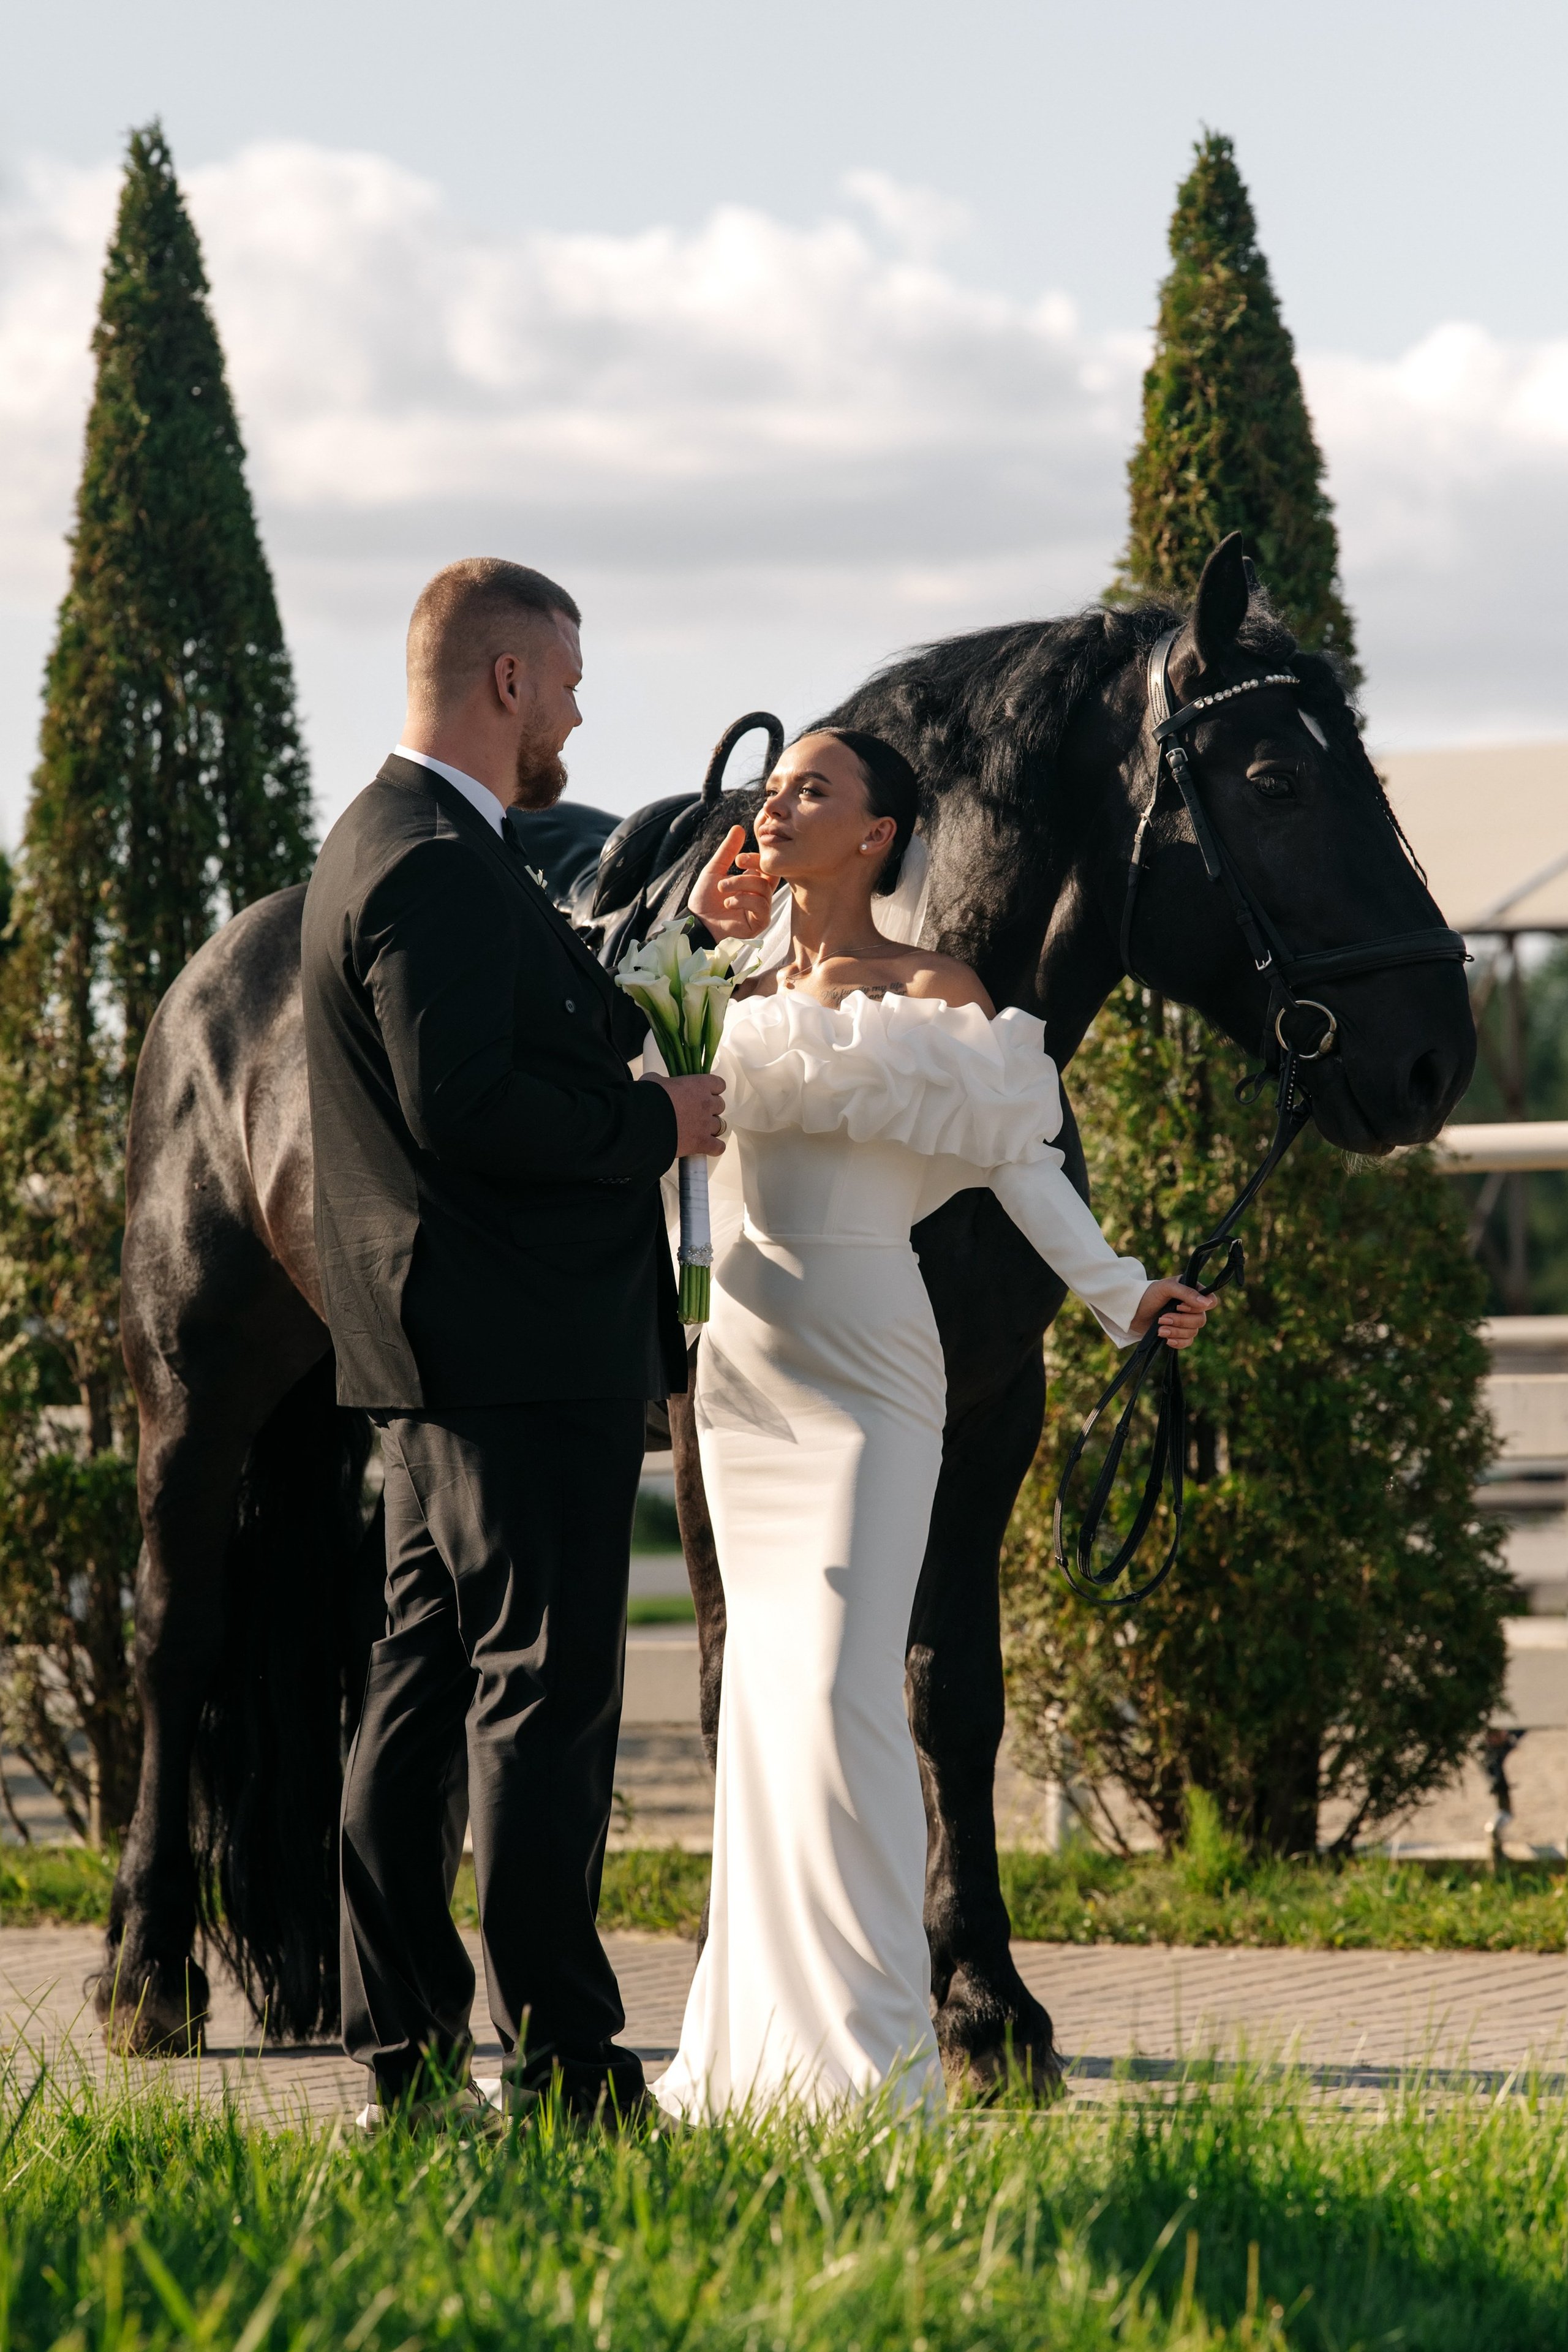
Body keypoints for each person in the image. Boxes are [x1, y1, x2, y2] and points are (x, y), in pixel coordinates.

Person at [656, 728, 1215, 2120]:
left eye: (813, 791)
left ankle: (876, 2055)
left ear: (879, 835)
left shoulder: (935, 991)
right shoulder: (712, 981)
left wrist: (1117, 1291)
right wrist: (679, 942)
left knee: (848, 1690)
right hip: (738, 1374)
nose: (776, 805)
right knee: (765, 1707)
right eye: (774, 786)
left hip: (866, 1373)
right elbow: (616, 1093)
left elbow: (1022, 1167)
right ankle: (752, 2056)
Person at [300, 557, 738, 2130]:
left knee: (417, 1699)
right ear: (502, 681)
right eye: (563, 679)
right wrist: (657, 1119)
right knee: (541, 1699)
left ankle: (405, 2055)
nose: (572, 709)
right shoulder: (427, 862)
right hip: (511, 1351)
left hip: (439, 1355)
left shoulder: (390, 842)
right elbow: (462, 1107)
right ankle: (565, 2064)